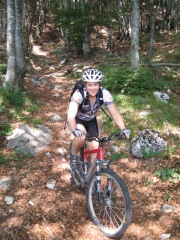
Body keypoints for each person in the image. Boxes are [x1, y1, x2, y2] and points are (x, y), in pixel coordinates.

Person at [67, 68, 130, 170]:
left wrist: (123, 128)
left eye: (95, 84)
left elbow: (115, 113)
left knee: (95, 151)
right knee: (81, 137)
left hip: (91, 120)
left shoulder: (104, 94)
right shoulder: (79, 94)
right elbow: (71, 116)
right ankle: (74, 155)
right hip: (78, 119)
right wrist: (75, 130)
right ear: (85, 85)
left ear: (99, 84)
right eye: (90, 85)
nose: (93, 88)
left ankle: (92, 178)